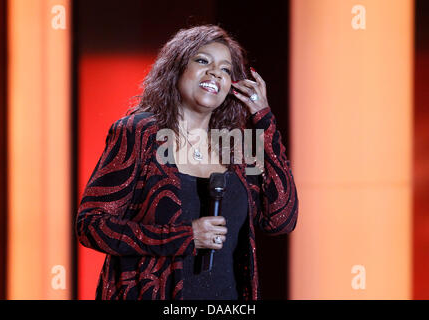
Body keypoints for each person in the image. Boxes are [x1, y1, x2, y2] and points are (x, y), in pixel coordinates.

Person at [75, 24, 298, 300]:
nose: (215, 72)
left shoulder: (238, 146)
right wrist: (184, 237)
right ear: (177, 69)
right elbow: (92, 225)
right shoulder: (140, 133)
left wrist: (264, 120)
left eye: (226, 69)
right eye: (203, 61)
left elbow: (281, 219)